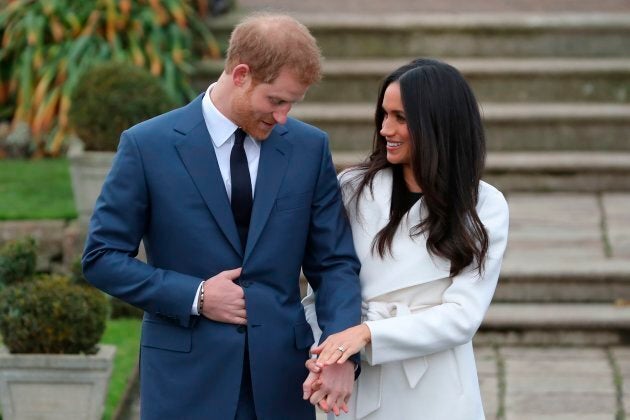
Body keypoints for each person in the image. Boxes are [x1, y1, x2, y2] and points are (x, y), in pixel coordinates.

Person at [82, 13, 361, 420]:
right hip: (184, 381)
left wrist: (340, 350)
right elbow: (101, 257)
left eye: (292, 104)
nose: (283, 116)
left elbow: (334, 262)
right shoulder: (147, 145)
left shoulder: (309, 148)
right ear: (241, 74)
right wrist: (195, 296)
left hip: (282, 381)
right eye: (276, 100)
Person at [302, 58, 509, 419]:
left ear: (437, 124)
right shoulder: (353, 188)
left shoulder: (484, 205)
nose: (385, 129)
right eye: (383, 115)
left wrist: (367, 334)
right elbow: (323, 288)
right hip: (352, 382)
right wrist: (334, 355)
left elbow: (462, 316)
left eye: (400, 117)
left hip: (435, 388)